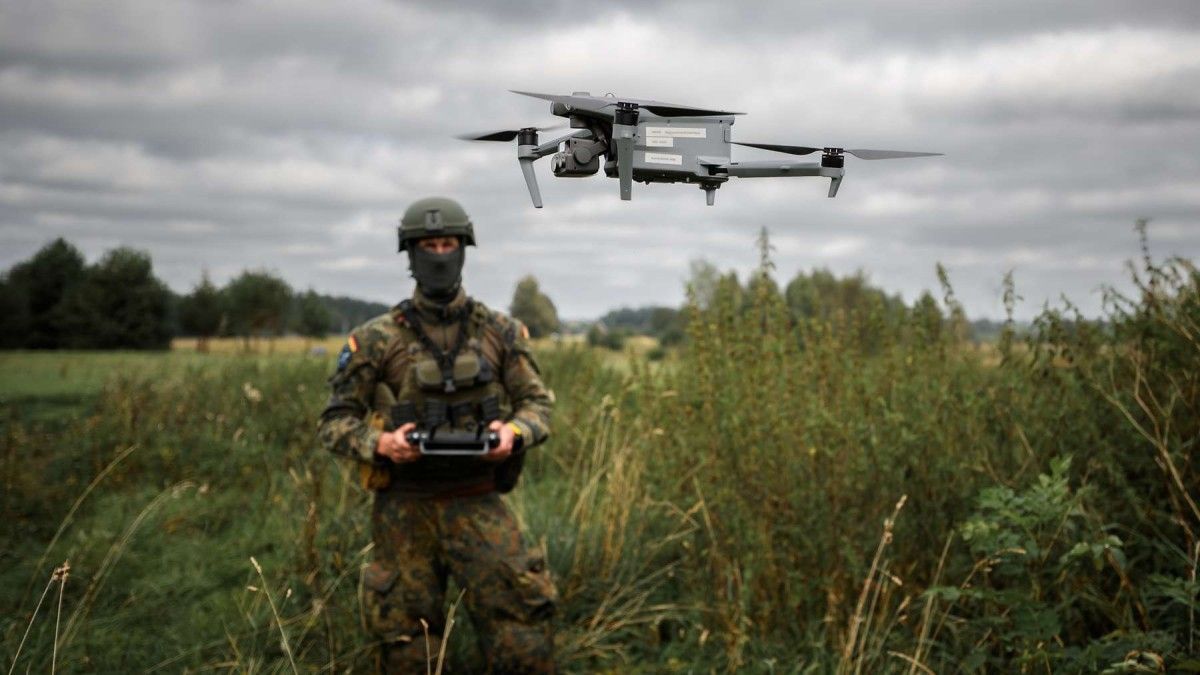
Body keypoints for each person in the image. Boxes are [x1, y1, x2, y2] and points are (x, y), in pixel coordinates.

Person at [317, 196, 557, 673]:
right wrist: (380, 443)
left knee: (521, 634)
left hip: (479, 501)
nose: (440, 255)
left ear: (463, 250)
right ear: (410, 253)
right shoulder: (376, 339)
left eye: (449, 244)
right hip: (403, 509)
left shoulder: (501, 332)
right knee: (408, 644)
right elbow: (335, 420)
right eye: (429, 245)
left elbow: (538, 404)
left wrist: (511, 432)